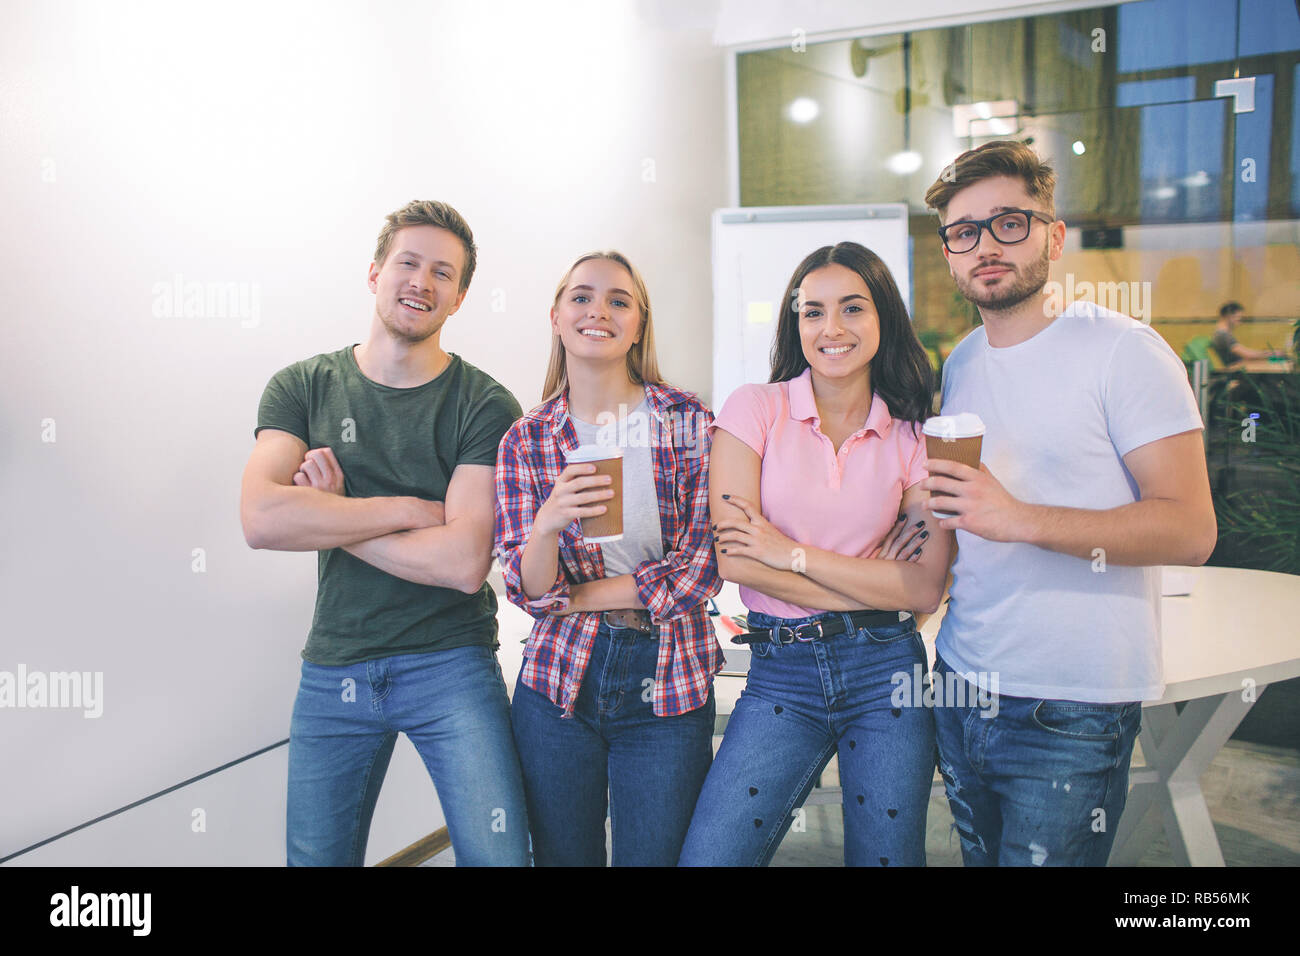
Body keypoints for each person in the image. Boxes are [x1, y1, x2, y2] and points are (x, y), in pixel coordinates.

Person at [921, 140, 1217, 866]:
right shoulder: (961, 361)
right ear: (950, 256)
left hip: (1072, 701)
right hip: (962, 679)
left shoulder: (1124, 350)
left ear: (1053, 235)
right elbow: (964, 515)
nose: (986, 245)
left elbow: (1190, 528)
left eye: (1009, 223)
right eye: (964, 232)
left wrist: (1017, 517)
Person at [240, 200, 530, 866]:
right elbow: (262, 518)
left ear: (458, 297)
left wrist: (334, 513)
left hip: (451, 664)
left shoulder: (484, 404)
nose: (421, 283)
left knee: (499, 857)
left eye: (442, 273)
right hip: (336, 667)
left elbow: (462, 563)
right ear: (375, 273)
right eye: (408, 263)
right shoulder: (303, 388)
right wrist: (406, 507)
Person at [678, 241, 953, 867]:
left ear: (883, 318)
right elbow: (739, 562)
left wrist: (792, 555)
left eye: (852, 308)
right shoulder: (755, 409)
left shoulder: (913, 434)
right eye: (812, 312)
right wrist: (874, 584)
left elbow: (923, 590)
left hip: (887, 675)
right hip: (783, 670)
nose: (831, 328)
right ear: (794, 324)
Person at [494, 250, 723, 866]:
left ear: (639, 324)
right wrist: (546, 526)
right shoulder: (529, 438)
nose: (599, 310)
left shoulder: (687, 422)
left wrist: (580, 597)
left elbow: (703, 567)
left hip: (669, 678)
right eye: (582, 297)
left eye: (619, 300)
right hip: (559, 681)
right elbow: (528, 589)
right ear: (556, 316)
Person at [1211, 302, 1286, 367]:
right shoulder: (1222, 335)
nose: (1240, 323)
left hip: (1241, 367)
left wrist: (1268, 353)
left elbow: (1248, 354)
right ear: (1229, 317)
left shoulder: (1221, 334)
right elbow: (1248, 355)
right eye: (1238, 319)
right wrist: (1272, 353)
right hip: (1239, 371)